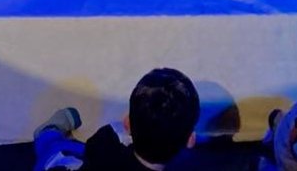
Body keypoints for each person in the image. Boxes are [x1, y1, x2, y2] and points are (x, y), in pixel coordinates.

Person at [33, 67, 200, 171]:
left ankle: (48, 133)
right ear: (190, 139)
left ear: (127, 123)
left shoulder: (108, 140)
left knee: (57, 149)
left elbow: (93, 152)